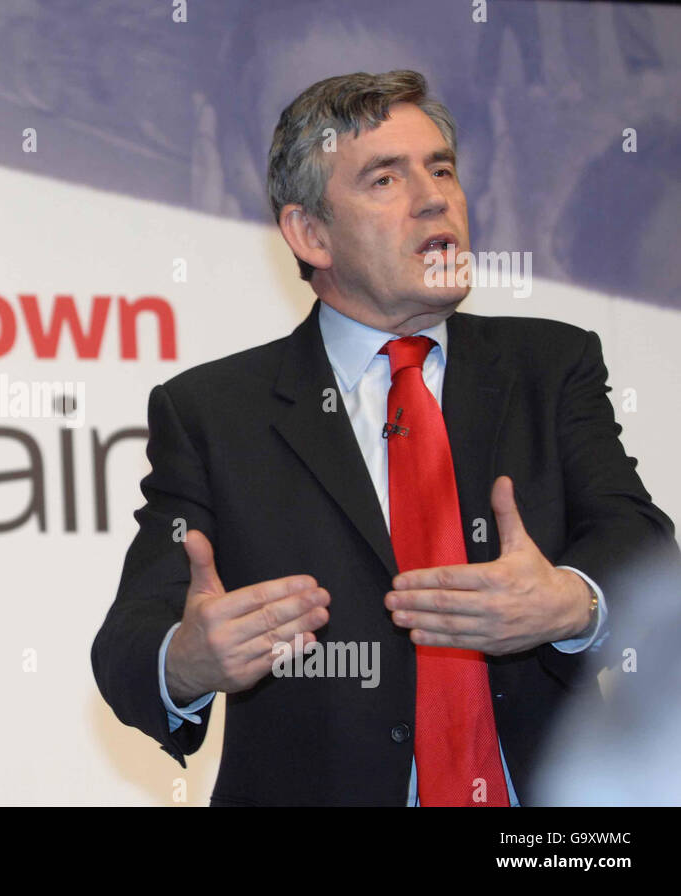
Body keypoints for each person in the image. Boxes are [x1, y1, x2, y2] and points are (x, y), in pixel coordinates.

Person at [91, 70, 680, 806]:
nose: (435, 197)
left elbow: (638, 538)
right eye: (384, 179)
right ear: (310, 233)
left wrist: (571, 600)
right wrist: (186, 661)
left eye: (442, 169)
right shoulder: (214, 412)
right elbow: (128, 642)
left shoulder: (550, 365)